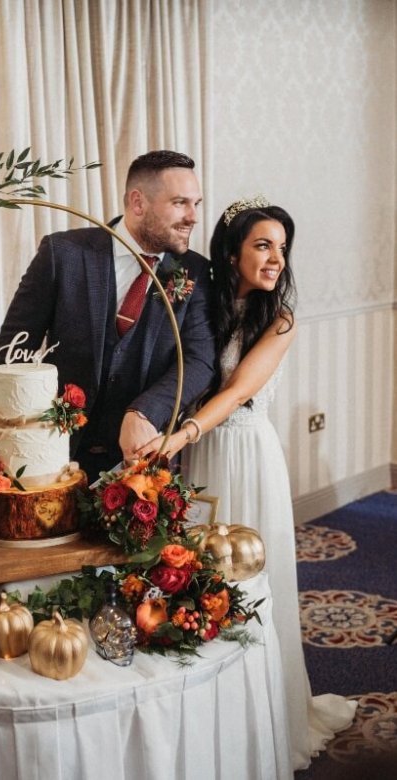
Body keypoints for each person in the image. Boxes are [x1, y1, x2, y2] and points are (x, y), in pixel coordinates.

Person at [139, 196, 356, 770]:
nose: (276, 259)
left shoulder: (279, 320)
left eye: (282, 248)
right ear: (231, 252)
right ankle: (210, 710)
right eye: (263, 245)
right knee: (194, 576)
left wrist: (178, 437)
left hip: (246, 453)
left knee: (252, 584)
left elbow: (235, 393)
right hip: (202, 454)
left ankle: (267, 715)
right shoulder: (200, 306)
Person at [0, 150, 216, 482]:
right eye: (180, 202)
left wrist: (144, 411)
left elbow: (201, 362)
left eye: (196, 203)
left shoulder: (194, 271)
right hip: (55, 458)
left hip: (141, 461)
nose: (193, 216)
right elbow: (12, 351)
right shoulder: (62, 254)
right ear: (138, 202)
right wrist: (36, 427)